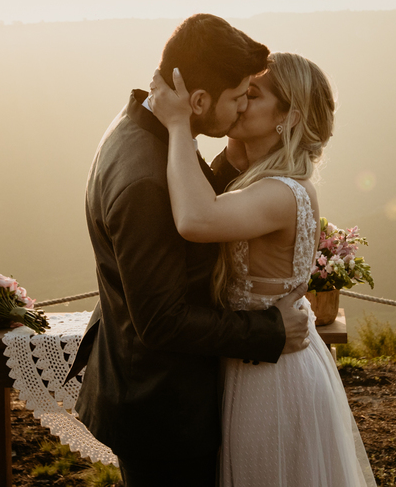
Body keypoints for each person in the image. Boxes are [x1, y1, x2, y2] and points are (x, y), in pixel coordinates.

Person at [72, 14, 312, 487]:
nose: (244, 105)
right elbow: (162, 320)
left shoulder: (143, 129)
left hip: (158, 396)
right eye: (240, 94)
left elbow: (185, 216)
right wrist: (268, 331)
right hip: (163, 411)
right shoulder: (145, 179)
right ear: (199, 101)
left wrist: (234, 163)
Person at [150, 52, 377, 487]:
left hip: (273, 375)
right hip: (256, 360)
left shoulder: (282, 193)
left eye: (251, 95)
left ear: (289, 117)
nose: (238, 102)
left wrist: (179, 126)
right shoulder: (259, 178)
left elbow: (197, 220)